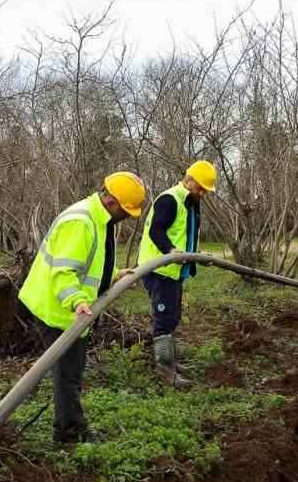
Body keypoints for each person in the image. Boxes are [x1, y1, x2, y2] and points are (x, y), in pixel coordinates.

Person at [17, 171, 148, 443]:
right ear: (112, 201)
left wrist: (113, 275)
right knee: (68, 374)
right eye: (126, 210)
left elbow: (90, 261)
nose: (126, 216)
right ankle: (70, 433)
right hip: (56, 307)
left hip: (69, 306)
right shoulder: (81, 222)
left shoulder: (99, 219)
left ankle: (68, 428)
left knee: (70, 371)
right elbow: (64, 273)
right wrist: (77, 301)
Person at [137, 160, 217, 387]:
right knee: (163, 319)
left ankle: (173, 362)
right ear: (188, 179)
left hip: (175, 271)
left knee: (173, 316)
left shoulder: (191, 202)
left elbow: (185, 233)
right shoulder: (169, 200)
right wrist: (171, 251)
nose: (202, 193)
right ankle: (165, 371)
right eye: (200, 187)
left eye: (205, 190)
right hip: (159, 270)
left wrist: (197, 255)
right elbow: (156, 231)